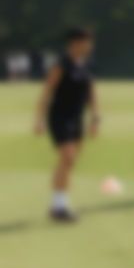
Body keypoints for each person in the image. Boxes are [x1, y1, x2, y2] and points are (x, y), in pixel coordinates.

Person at [35, 28, 99, 222]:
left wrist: (95, 118)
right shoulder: (61, 65)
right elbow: (47, 92)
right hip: (60, 117)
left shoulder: (84, 65)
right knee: (68, 156)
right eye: (87, 42)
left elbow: (90, 92)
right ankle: (59, 207)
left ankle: (58, 203)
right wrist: (39, 120)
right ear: (75, 43)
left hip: (76, 118)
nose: (89, 46)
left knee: (69, 162)